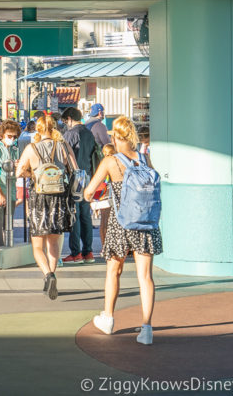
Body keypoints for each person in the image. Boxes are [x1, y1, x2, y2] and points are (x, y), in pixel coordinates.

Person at [84, 116, 162, 345]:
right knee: (145, 277)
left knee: (113, 271)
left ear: (116, 137)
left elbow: (89, 191)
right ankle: (146, 328)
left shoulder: (111, 162)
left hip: (121, 224)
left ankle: (108, 318)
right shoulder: (145, 159)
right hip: (146, 223)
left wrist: (92, 198)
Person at [15, 114, 77, 300]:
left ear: (38, 129)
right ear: (54, 128)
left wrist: (32, 173)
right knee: (53, 242)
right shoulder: (63, 146)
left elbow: (19, 172)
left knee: (37, 245)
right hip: (59, 197)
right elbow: (74, 168)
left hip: (39, 198)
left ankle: (48, 275)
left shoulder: (31, 148)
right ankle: (53, 273)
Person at [61, 107, 97, 264]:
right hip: (87, 176)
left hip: (74, 177)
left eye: (64, 121)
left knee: (73, 214)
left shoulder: (70, 134)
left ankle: (75, 253)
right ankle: (88, 251)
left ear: (69, 118)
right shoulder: (89, 133)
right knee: (85, 215)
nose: (65, 124)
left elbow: (64, 157)